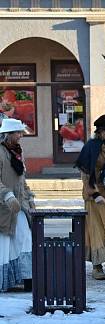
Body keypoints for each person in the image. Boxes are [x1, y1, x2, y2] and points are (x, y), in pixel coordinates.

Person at [76, 114, 105, 280]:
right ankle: (97, 266)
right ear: (99, 131)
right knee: (96, 231)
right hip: (94, 193)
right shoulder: (91, 146)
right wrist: (94, 193)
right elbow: (85, 173)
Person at [0, 118, 34, 292]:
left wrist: (29, 197)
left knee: (25, 238)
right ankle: (4, 281)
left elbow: (22, 179)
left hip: (19, 204)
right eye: (18, 133)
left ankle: (28, 277)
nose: (21, 135)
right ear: (8, 134)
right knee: (4, 243)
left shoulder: (18, 152)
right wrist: (7, 195)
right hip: (3, 208)